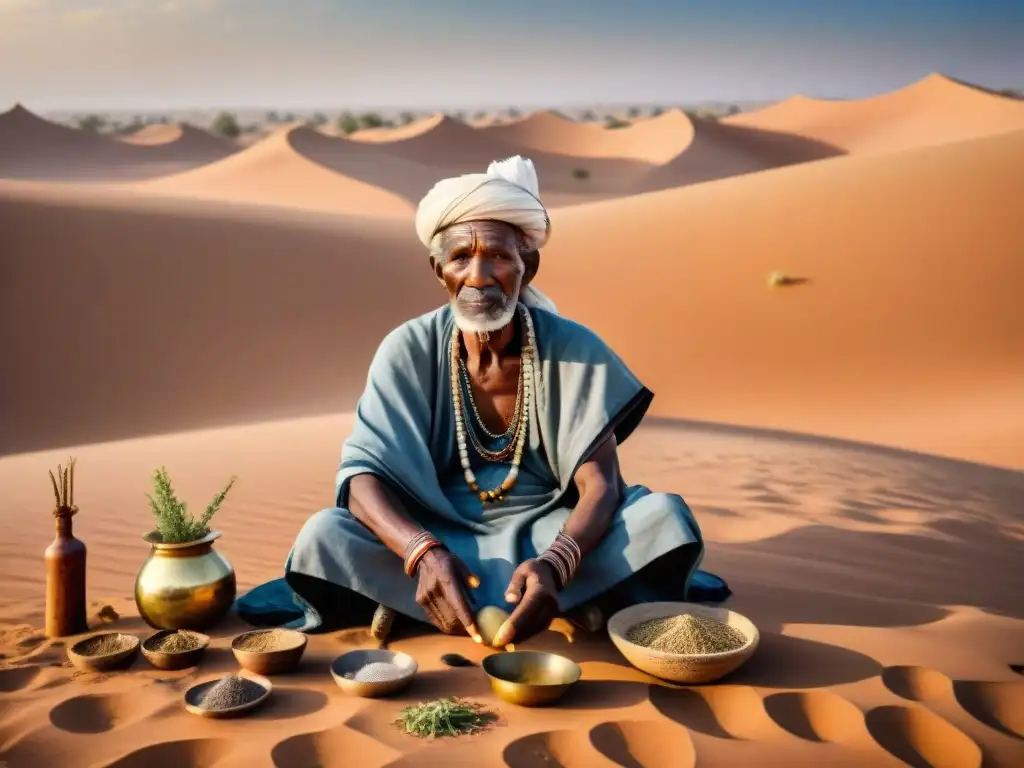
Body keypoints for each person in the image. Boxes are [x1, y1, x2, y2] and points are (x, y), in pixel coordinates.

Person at [239, 156, 729, 646]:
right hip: (434, 535)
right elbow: (362, 478)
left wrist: (558, 563)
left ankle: (417, 605)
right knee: (325, 534)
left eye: (497, 256)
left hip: (550, 534)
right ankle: (572, 601)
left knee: (663, 518)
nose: (478, 276)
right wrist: (421, 553)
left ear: (527, 266)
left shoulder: (573, 350)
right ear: (439, 270)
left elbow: (600, 483)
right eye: (460, 259)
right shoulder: (407, 348)